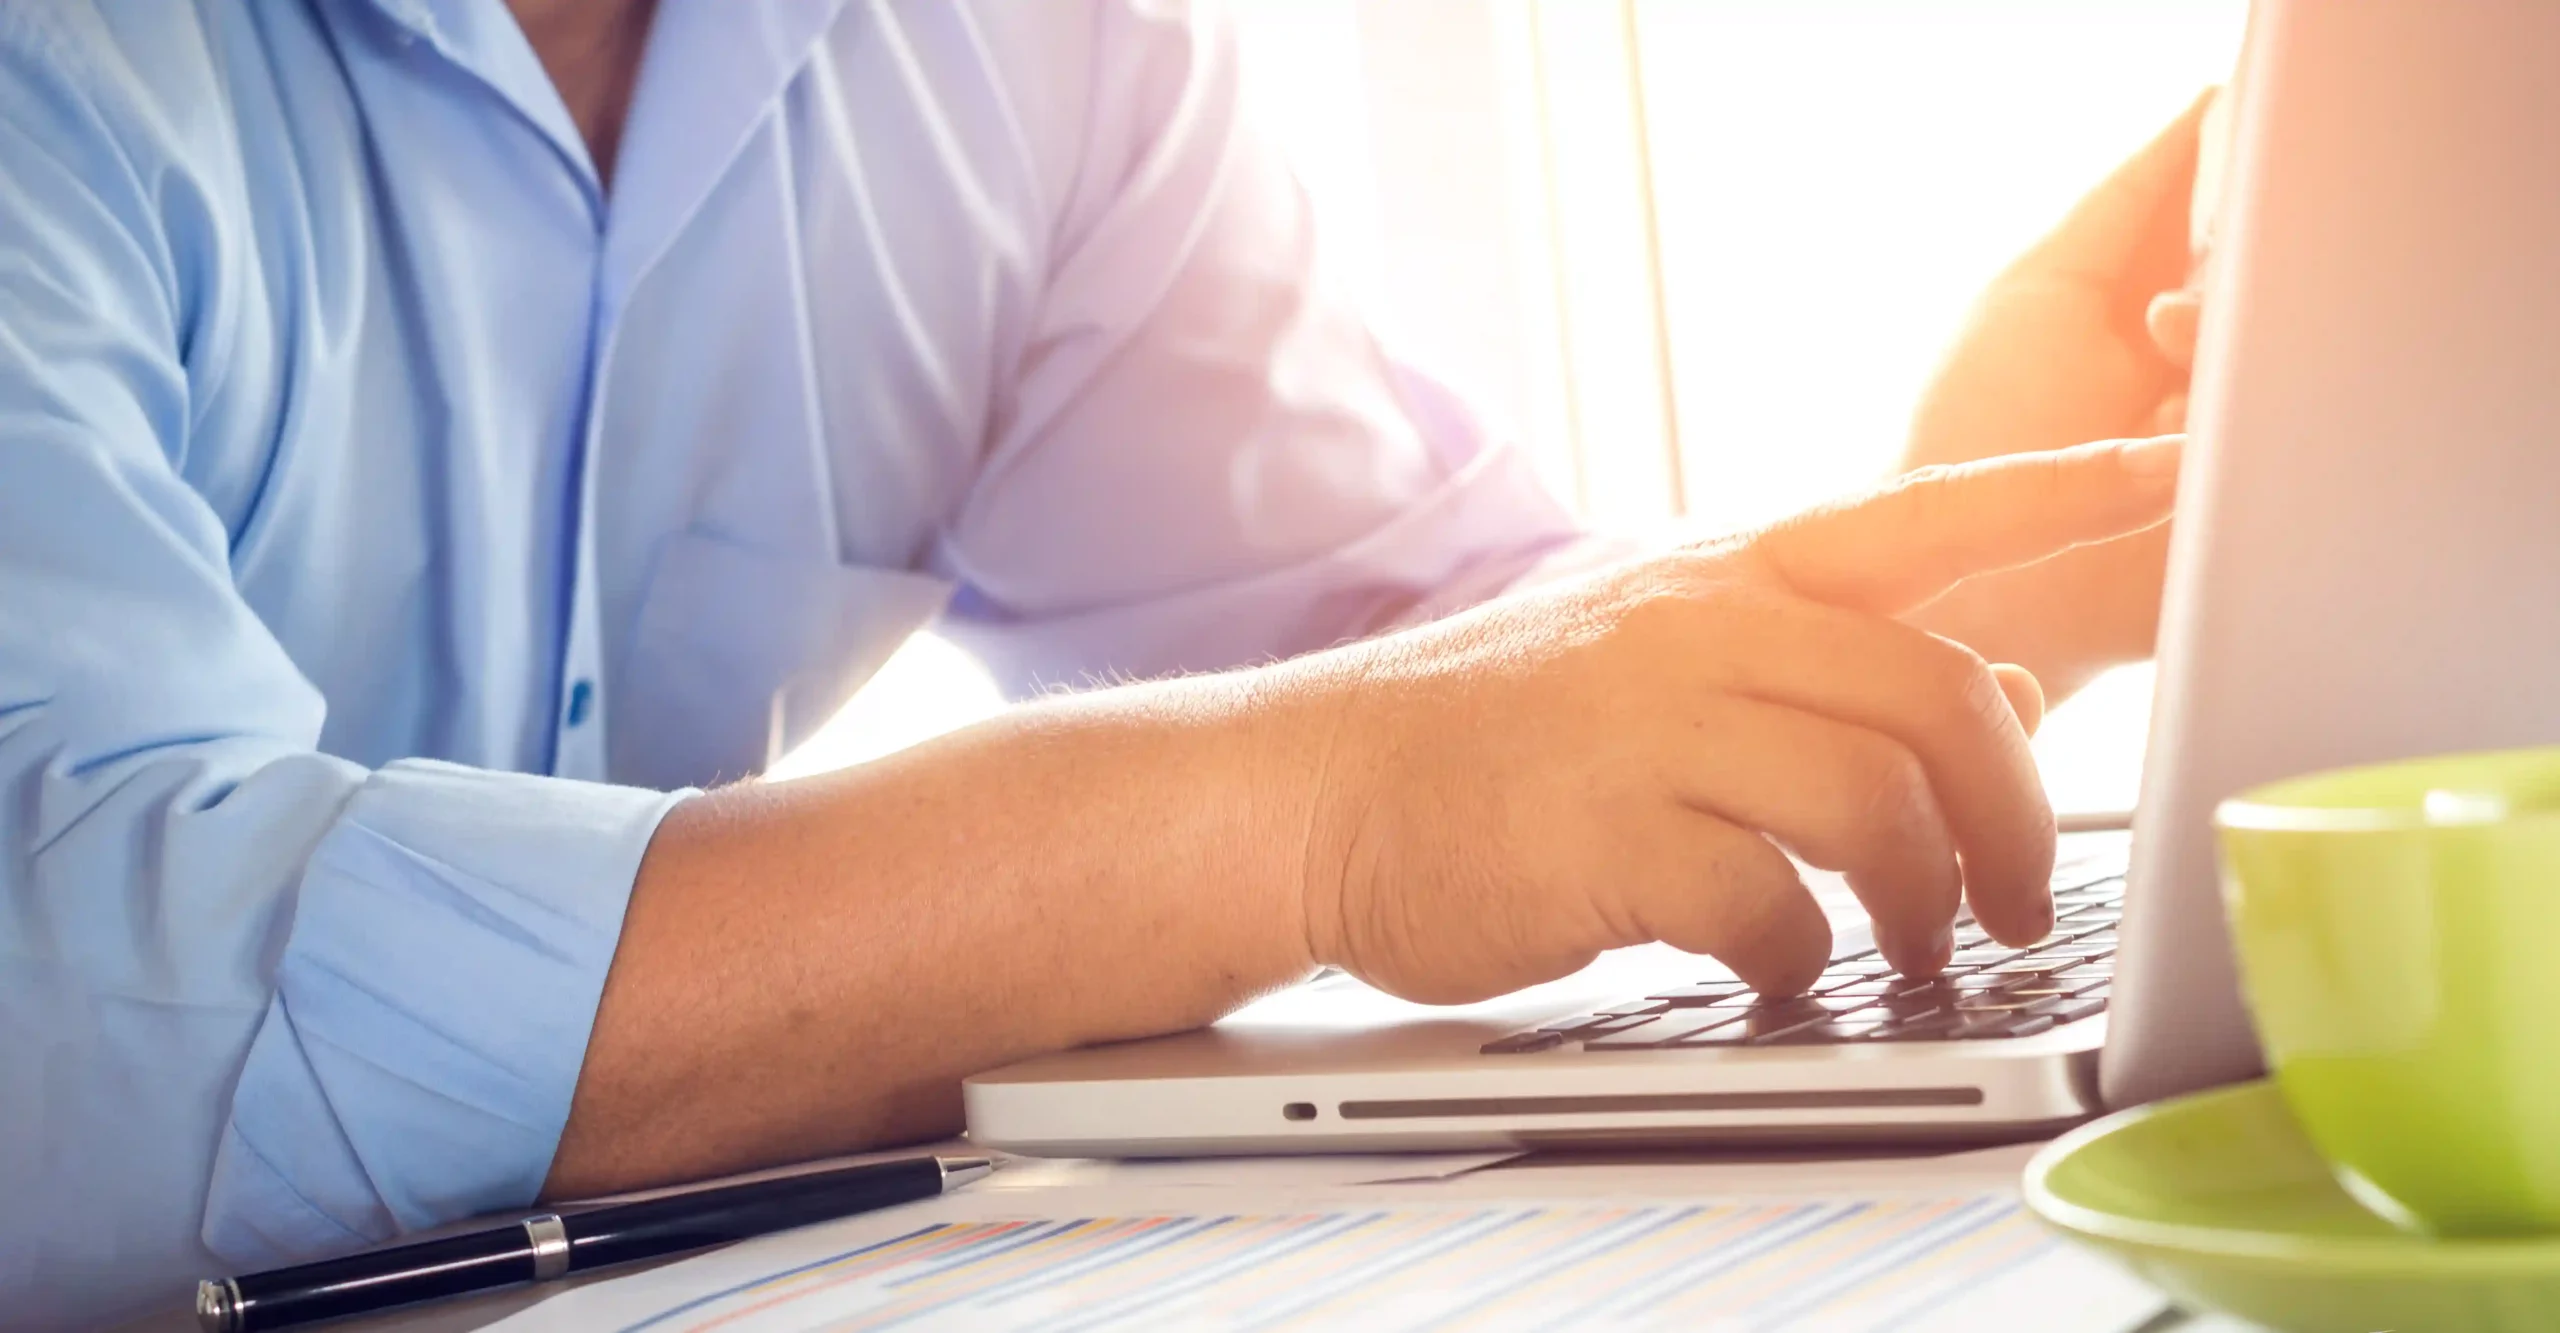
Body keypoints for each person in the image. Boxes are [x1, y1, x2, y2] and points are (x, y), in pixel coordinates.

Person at [0, 1, 2201, 1324]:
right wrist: (1312, 812)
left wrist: (1988, 552)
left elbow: (1439, 677)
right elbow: (76, 1033)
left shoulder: (1014, 49)